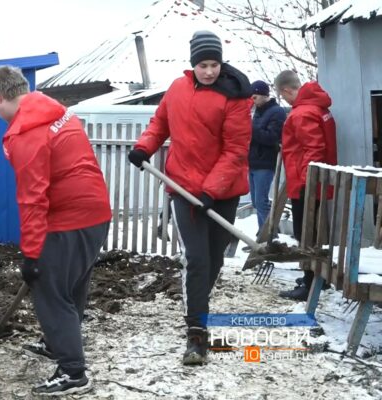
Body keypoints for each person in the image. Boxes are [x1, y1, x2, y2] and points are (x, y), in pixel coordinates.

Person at [128, 30, 252, 365]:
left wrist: (211, 189)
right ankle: (196, 333)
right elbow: (159, 124)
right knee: (196, 259)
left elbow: (236, 150)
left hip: (222, 193)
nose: (209, 71)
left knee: (213, 260)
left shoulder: (235, 96)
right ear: (193, 64)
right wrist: (144, 147)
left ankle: (198, 302)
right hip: (182, 188)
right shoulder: (176, 89)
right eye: (203, 65)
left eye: (214, 64)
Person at [0, 65, 111, 396]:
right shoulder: (56, 112)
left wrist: (31, 255)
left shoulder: (26, 131)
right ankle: (58, 344)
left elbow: (32, 199)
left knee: (50, 291)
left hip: (68, 218)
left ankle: (73, 372)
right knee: (73, 286)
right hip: (96, 212)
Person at [274, 70, 337, 301]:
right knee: (316, 232)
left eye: (284, 96)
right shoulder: (319, 108)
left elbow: (314, 150)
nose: (286, 101)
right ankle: (318, 278)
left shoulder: (302, 113)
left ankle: (310, 284)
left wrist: (304, 183)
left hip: (307, 184)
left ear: (286, 90)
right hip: (317, 181)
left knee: (306, 234)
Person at [246, 80, 286, 240]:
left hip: (265, 162)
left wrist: (250, 126)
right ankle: (265, 233)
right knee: (256, 202)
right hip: (254, 161)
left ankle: (268, 236)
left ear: (263, 96)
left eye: (254, 97)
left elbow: (272, 138)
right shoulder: (259, 111)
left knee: (261, 201)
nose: (252, 101)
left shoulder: (277, 112)